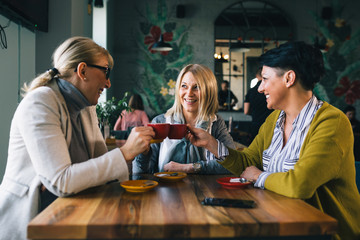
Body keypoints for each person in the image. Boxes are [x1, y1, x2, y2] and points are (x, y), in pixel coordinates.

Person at [186, 41, 360, 240]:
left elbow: (299, 185)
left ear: (289, 78)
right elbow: (247, 163)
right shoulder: (275, 119)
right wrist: (210, 143)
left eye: (265, 79)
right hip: (279, 223)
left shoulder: (332, 122)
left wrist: (258, 176)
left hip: (325, 233)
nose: (260, 88)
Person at [0, 36, 155, 240]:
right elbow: (61, 181)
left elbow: (102, 170)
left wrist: (136, 153)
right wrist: (125, 152)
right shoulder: (40, 102)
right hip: (31, 220)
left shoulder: (86, 108)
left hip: (70, 212)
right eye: (105, 71)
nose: (108, 83)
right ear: (82, 71)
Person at [132, 64, 235, 174]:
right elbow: (142, 172)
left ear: (208, 92)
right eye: (184, 86)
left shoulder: (215, 123)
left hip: (204, 190)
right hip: (165, 189)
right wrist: (143, 154)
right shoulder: (160, 122)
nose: (189, 93)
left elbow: (233, 163)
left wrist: (190, 167)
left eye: (197, 87)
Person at [244, 67, 273, 142]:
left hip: (255, 123)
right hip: (271, 124)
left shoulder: (251, 91)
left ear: (256, 76)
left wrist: (255, 113)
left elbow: (246, 111)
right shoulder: (270, 90)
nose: (261, 89)